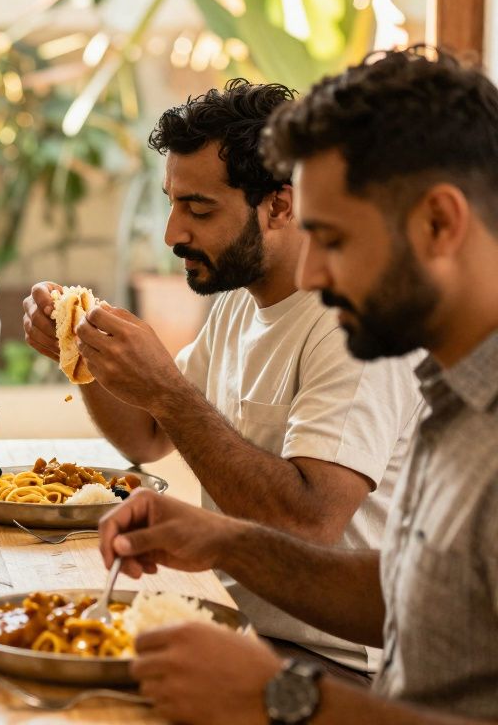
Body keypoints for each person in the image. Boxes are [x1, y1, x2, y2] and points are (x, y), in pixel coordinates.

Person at [96, 47, 498, 724]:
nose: (308, 275)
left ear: (439, 222)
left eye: (333, 239)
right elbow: (417, 593)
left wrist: (283, 697)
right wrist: (223, 541)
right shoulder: (452, 391)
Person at [22, 79, 421, 677]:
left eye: (199, 209)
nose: (172, 234)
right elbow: (148, 437)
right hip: (235, 617)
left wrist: (165, 388)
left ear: (281, 206)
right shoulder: (241, 297)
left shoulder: (349, 326)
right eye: (172, 202)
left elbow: (310, 523)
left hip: (333, 661)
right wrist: (80, 352)